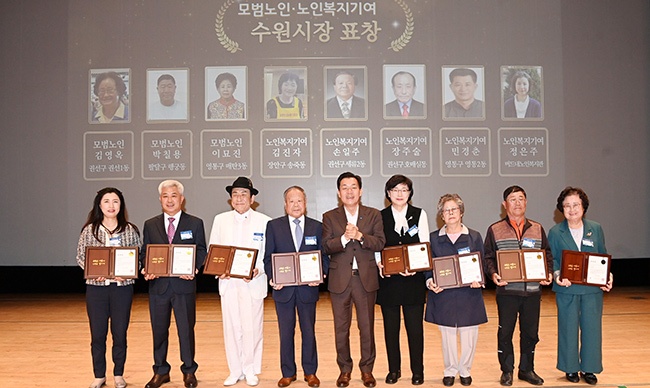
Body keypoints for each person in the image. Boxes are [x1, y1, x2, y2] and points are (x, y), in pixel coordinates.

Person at [483, 185, 553, 386]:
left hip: (532, 291)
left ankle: (527, 369)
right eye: (512, 199)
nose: (517, 203)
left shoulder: (537, 228)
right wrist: (494, 274)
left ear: (526, 202)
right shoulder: (495, 229)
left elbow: (547, 254)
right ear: (505, 204)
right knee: (505, 332)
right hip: (507, 291)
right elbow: (488, 257)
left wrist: (547, 272)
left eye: (521, 198)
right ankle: (507, 371)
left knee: (531, 333)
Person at [140, 180, 207, 388]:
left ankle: (189, 370)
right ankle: (160, 371)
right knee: (159, 330)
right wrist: (145, 268)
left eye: (174, 196)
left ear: (182, 199)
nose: (170, 200)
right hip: (158, 286)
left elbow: (202, 250)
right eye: (166, 196)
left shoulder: (195, 223)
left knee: (186, 330)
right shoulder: (150, 224)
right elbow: (145, 252)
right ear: (160, 199)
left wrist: (194, 269)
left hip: (184, 286)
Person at [322, 172, 386, 388]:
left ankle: (367, 370)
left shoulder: (374, 215)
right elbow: (326, 246)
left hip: (365, 280)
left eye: (353, 187)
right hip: (340, 280)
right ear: (339, 193)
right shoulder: (330, 217)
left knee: (366, 327)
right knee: (341, 328)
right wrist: (343, 238)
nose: (349, 191)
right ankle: (345, 370)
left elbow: (379, 243)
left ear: (360, 191)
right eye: (345, 187)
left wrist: (360, 236)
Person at [263, 186, 330, 388]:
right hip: (283, 290)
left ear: (305, 203)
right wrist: (274, 277)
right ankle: (288, 373)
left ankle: (310, 372)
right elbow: (268, 257)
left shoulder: (317, 227)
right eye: (291, 201)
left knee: (308, 330)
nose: (296, 205)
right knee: (286, 331)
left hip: (308, 289)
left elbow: (324, 256)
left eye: (299, 200)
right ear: (285, 204)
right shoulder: (274, 226)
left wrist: (321, 275)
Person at [76, 187, 141, 388]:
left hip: (122, 288)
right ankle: (99, 375)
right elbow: (80, 257)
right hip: (97, 289)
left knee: (120, 333)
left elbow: (138, 258)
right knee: (98, 334)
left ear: (121, 206)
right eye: (106, 201)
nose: (111, 206)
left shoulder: (130, 230)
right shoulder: (90, 230)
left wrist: (129, 271)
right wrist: (97, 272)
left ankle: (119, 374)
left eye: (115, 201)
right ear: (99, 205)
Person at [209, 177, 271, 387]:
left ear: (252, 198)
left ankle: (251, 369)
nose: (239, 198)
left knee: (253, 327)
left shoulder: (264, 221)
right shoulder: (220, 220)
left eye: (244, 194)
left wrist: (258, 269)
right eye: (235, 194)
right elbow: (213, 250)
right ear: (230, 199)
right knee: (232, 327)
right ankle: (235, 370)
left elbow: (266, 254)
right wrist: (219, 270)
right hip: (228, 284)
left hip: (253, 282)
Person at [548, 187, 613, 385]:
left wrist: (607, 275)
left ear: (584, 207)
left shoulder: (596, 228)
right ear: (562, 209)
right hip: (566, 288)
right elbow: (553, 261)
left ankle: (589, 368)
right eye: (567, 206)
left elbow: (602, 256)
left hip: (592, 289)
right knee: (567, 328)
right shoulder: (555, 232)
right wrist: (558, 275)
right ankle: (570, 368)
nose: (571, 209)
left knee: (592, 328)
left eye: (576, 205)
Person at [425, 194, 487, 387]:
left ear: (461, 212)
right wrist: (429, 281)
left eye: (454, 209)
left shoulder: (474, 236)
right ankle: (450, 370)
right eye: (446, 210)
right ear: (441, 215)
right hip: (444, 293)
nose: (450, 213)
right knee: (448, 336)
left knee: (469, 335)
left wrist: (479, 279)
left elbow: (482, 263)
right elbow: (428, 267)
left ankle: (465, 370)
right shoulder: (433, 238)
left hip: (469, 293)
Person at [377, 175, 429, 385]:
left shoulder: (419, 214)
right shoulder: (379, 216)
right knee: (391, 330)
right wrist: (379, 263)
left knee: (415, 330)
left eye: (404, 190)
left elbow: (424, 244)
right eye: (395, 190)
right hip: (388, 282)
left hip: (413, 281)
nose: (400, 194)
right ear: (388, 193)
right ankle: (394, 370)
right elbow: (376, 246)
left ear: (410, 193)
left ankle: (418, 371)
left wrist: (415, 268)